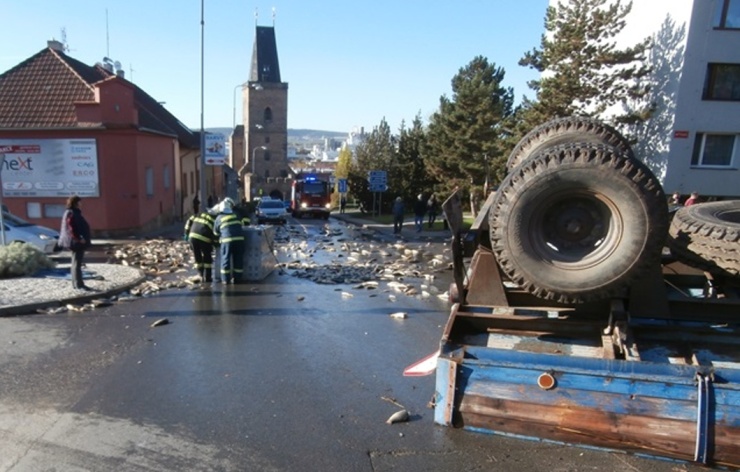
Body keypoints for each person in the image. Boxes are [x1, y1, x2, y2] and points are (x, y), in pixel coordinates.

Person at [58, 195, 92, 291]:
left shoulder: (70, 212)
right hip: (76, 242)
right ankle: (79, 284)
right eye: (79, 202)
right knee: (77, 264)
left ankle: (76, 283)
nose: (81, 204)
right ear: (76, 203)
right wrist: (79, 238)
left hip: (74, 241)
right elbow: (72, 228)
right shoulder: (72, 213)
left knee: (75, 263)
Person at [213, 198, 246, 284]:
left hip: (227, 240)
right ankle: (238, 278)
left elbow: (215, 233)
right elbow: (242, 225)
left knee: (225, 259)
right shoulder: (236, 215)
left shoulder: (219, 218)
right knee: (238, 258)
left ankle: (225, 279)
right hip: (239, 239)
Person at [184, 200, 217, 285]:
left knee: (197, 255)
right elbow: (215, 233)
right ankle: (208, 277)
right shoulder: (213, 219)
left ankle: (200, 274)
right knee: (207, 256)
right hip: (205, 239)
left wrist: (186, 234)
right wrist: (215, 243)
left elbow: (188, 223)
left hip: (193, 237)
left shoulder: (197, 215)